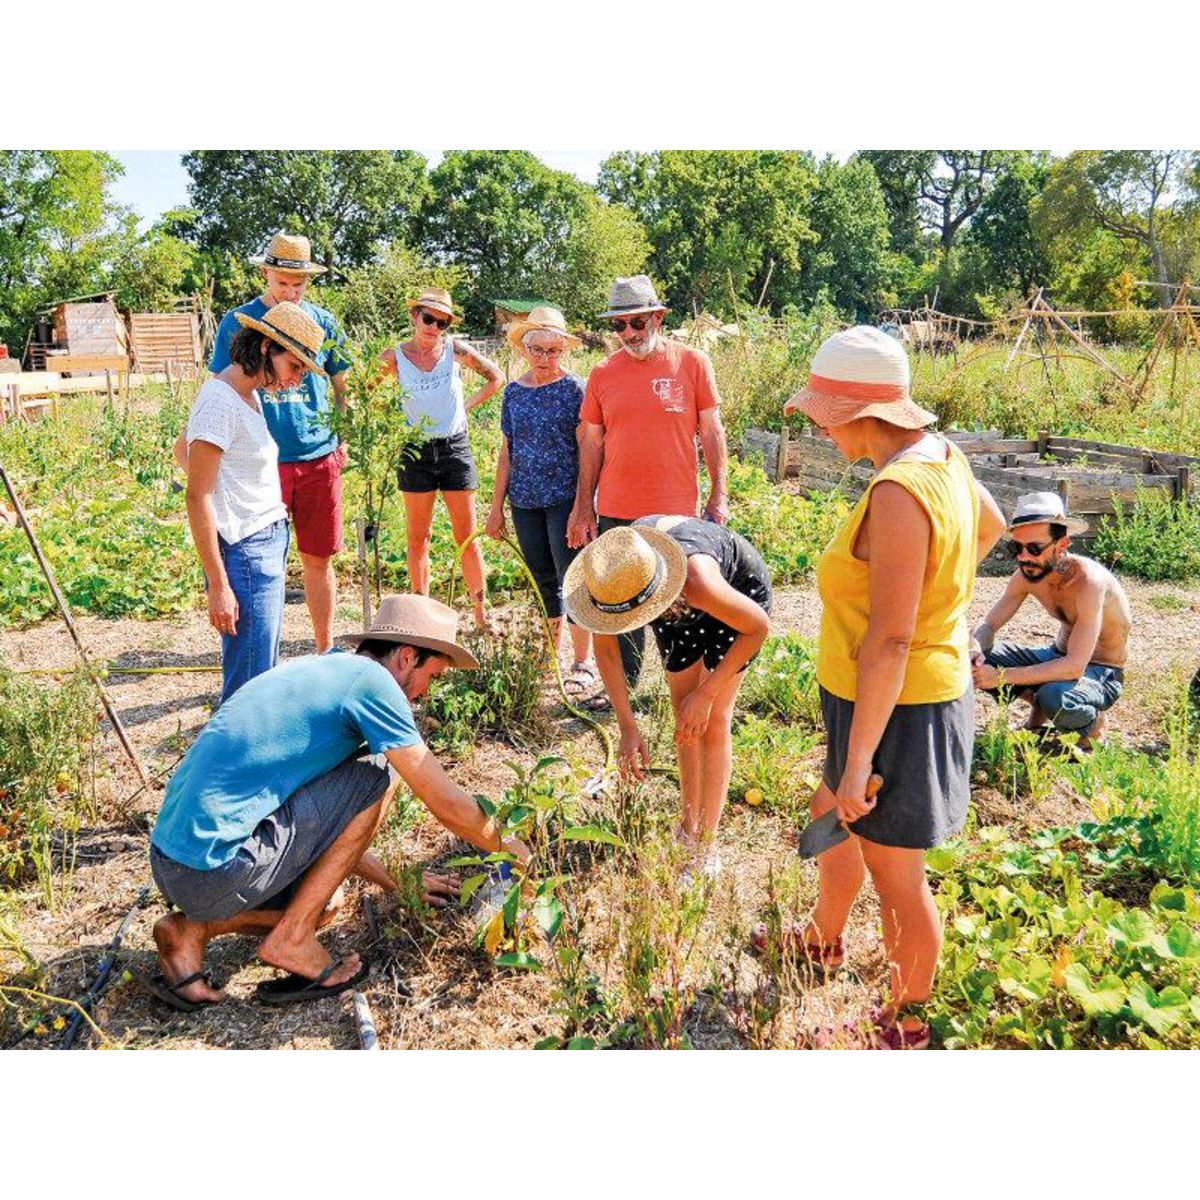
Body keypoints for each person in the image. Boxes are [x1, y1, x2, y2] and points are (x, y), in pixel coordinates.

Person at [757, 326, 1005, 1049]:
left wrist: (861, 759)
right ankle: (823, 937)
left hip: (899, 704)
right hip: (880, 695)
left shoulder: (899, 490)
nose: (818, 426)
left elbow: (893, 639)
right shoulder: (944, 458)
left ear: (857, 411)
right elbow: (986, 527)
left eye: (823, 413)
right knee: (830, 813)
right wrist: (944, 602)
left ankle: (906, 1022)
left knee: (898, 876)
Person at [145, 594, 531, 1009]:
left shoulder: (323, 670)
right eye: (432, 676)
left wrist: (397, 882)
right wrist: (512, 847)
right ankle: (292, 939)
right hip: (217, 868)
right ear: (406, 657)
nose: (424, 694)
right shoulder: (374, 685)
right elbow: (446, 803)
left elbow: (329, 826)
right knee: (381, 770)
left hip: (173, 863)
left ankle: (193, 930)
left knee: (325, 904)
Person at [564, 519, 772, 874]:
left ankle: (707, 843)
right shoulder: (610, 579)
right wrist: (627, 728)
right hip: (673, 601)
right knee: (684, 717)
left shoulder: (696, 580)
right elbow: (608, 654)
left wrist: (707, 693)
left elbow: (757, 628)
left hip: (737, 604)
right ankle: (687, 825)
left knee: (713, 719)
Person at [567, 275, 729, 687]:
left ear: (657, 318)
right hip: (618, 506)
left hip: (675, 509)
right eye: (618, 326)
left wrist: (719, 495)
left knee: (680, 600)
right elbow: (591, 443)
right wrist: (584, 505)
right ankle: (627, 687)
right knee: (621, 603)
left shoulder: (691, 362)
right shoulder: (603, 373)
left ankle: (686, 683)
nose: (627, 334)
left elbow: (711, 432)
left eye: (637, 323)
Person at [204, 232, 352, 654]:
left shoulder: (322, 323)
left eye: (298, 284)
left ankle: (324, 650)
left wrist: (342, 438)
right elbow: (221, 387)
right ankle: (257, 653)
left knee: (318, 557)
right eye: (282, 281)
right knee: (257, 560)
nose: (289, 291)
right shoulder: (239, 322)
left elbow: (342, 386)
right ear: (266, 273)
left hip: (318, 453)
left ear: (308, 282)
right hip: (259, 461)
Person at [185, 302, 330, 704]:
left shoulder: (247, 395)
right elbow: (197, 495)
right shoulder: (220, 401)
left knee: (260, 673)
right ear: (267, 347)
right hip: (246, 551)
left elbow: (186, 450)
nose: (297, 379)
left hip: (267, 539)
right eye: (295, 367)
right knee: (248, 687)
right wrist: (218, 583)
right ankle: (232, 763)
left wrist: (227, 485)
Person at [485, 306, 601, 701]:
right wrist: (495, 506)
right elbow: (507, 452)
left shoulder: (575, 390)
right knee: (541, 580)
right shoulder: (514, 393)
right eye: (538, 349)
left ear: (564, 350)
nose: (546, 358)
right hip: (524, 499)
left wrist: (583, 505)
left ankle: (582, 662)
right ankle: (550, 656)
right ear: (525, 349)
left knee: (573, 578)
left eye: (554, 350)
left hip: (564, 499)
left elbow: (588, 447)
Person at [380, 289, 504, 631]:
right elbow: (365, 389)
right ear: (414, 316)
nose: (435, 326)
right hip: (415, 449)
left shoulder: (454, 350)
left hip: (453, 447)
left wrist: (466, 407)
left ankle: (481, 613)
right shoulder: (395, 357)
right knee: (418, 537)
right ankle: (420, 615)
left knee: (467, 535)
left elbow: (496, 378)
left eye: (443, 321)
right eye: (429, 318)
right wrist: (390, 420)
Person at [971, 492, 1130, 748]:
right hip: (1057, 657)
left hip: (1101, 670)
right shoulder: (1027, 574)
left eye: (1034, 548)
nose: (1024, 557)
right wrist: (974, 651)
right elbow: (989, 625)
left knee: (1056, 695)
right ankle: (1039, 709)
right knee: (980, 657)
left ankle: (1093, 723)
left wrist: (1000, 677)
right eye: (1017, 548)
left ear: (1062, 545)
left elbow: (1075, 667)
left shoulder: (1089, 583)